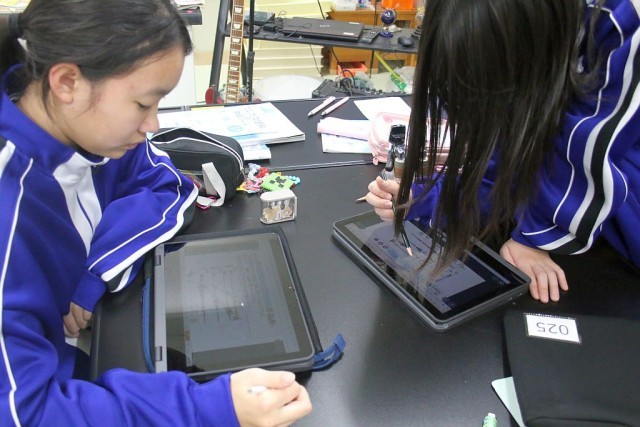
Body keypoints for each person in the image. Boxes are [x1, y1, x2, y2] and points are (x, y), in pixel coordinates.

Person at [0, 1, 311, 425]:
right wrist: (207, 408)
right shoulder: (10, 213)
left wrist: (94, 271)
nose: (154, 125)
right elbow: (25, 414)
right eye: (144, 104)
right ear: (68, 82)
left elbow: (168, 182)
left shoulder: (83, 129)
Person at [365, 0, 639, 303]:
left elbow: (589, 152)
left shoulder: (620, 23)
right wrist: (423, 198)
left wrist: (535, 238)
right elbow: (499, 168)